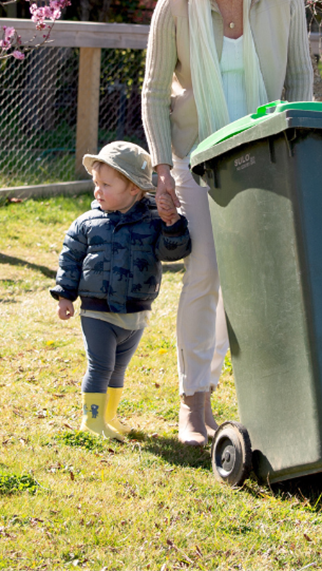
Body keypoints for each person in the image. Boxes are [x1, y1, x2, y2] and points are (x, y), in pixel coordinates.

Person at [141, 0, 314, 446]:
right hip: (200, 157)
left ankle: (270, 406)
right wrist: (161, 166)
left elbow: (300, 78)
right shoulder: (177, 1)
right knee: (207, 273)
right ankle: (194, 404)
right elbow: (152, 90)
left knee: (261, 284)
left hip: (267, 159)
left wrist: (301, 154)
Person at [51, 140, 192, 440]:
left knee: (117, 370)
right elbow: (70, 258)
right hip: (97, 311)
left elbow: (172, 253)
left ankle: (108, 416)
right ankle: (91, 421)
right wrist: (65, 294)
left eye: (106, 184)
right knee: (101, 367)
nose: (97, 191)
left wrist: (172, 225)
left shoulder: (154, 220)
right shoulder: (87, 222)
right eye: (96, 183)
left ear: (134, 189)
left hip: (136, 312)